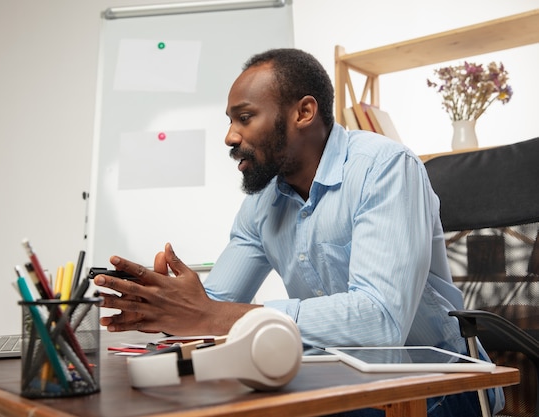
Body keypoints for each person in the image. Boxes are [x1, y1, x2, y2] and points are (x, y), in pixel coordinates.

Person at [93, 48, 503, 416]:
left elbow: (380, 321)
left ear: (303, 113)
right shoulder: (263, 201)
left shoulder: (384, 168)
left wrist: (214, 314)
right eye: (231, 120)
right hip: (339, 378)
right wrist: (170, 303)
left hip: (439, 385)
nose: (230, 136)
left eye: (245, 117)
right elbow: (216, 306)